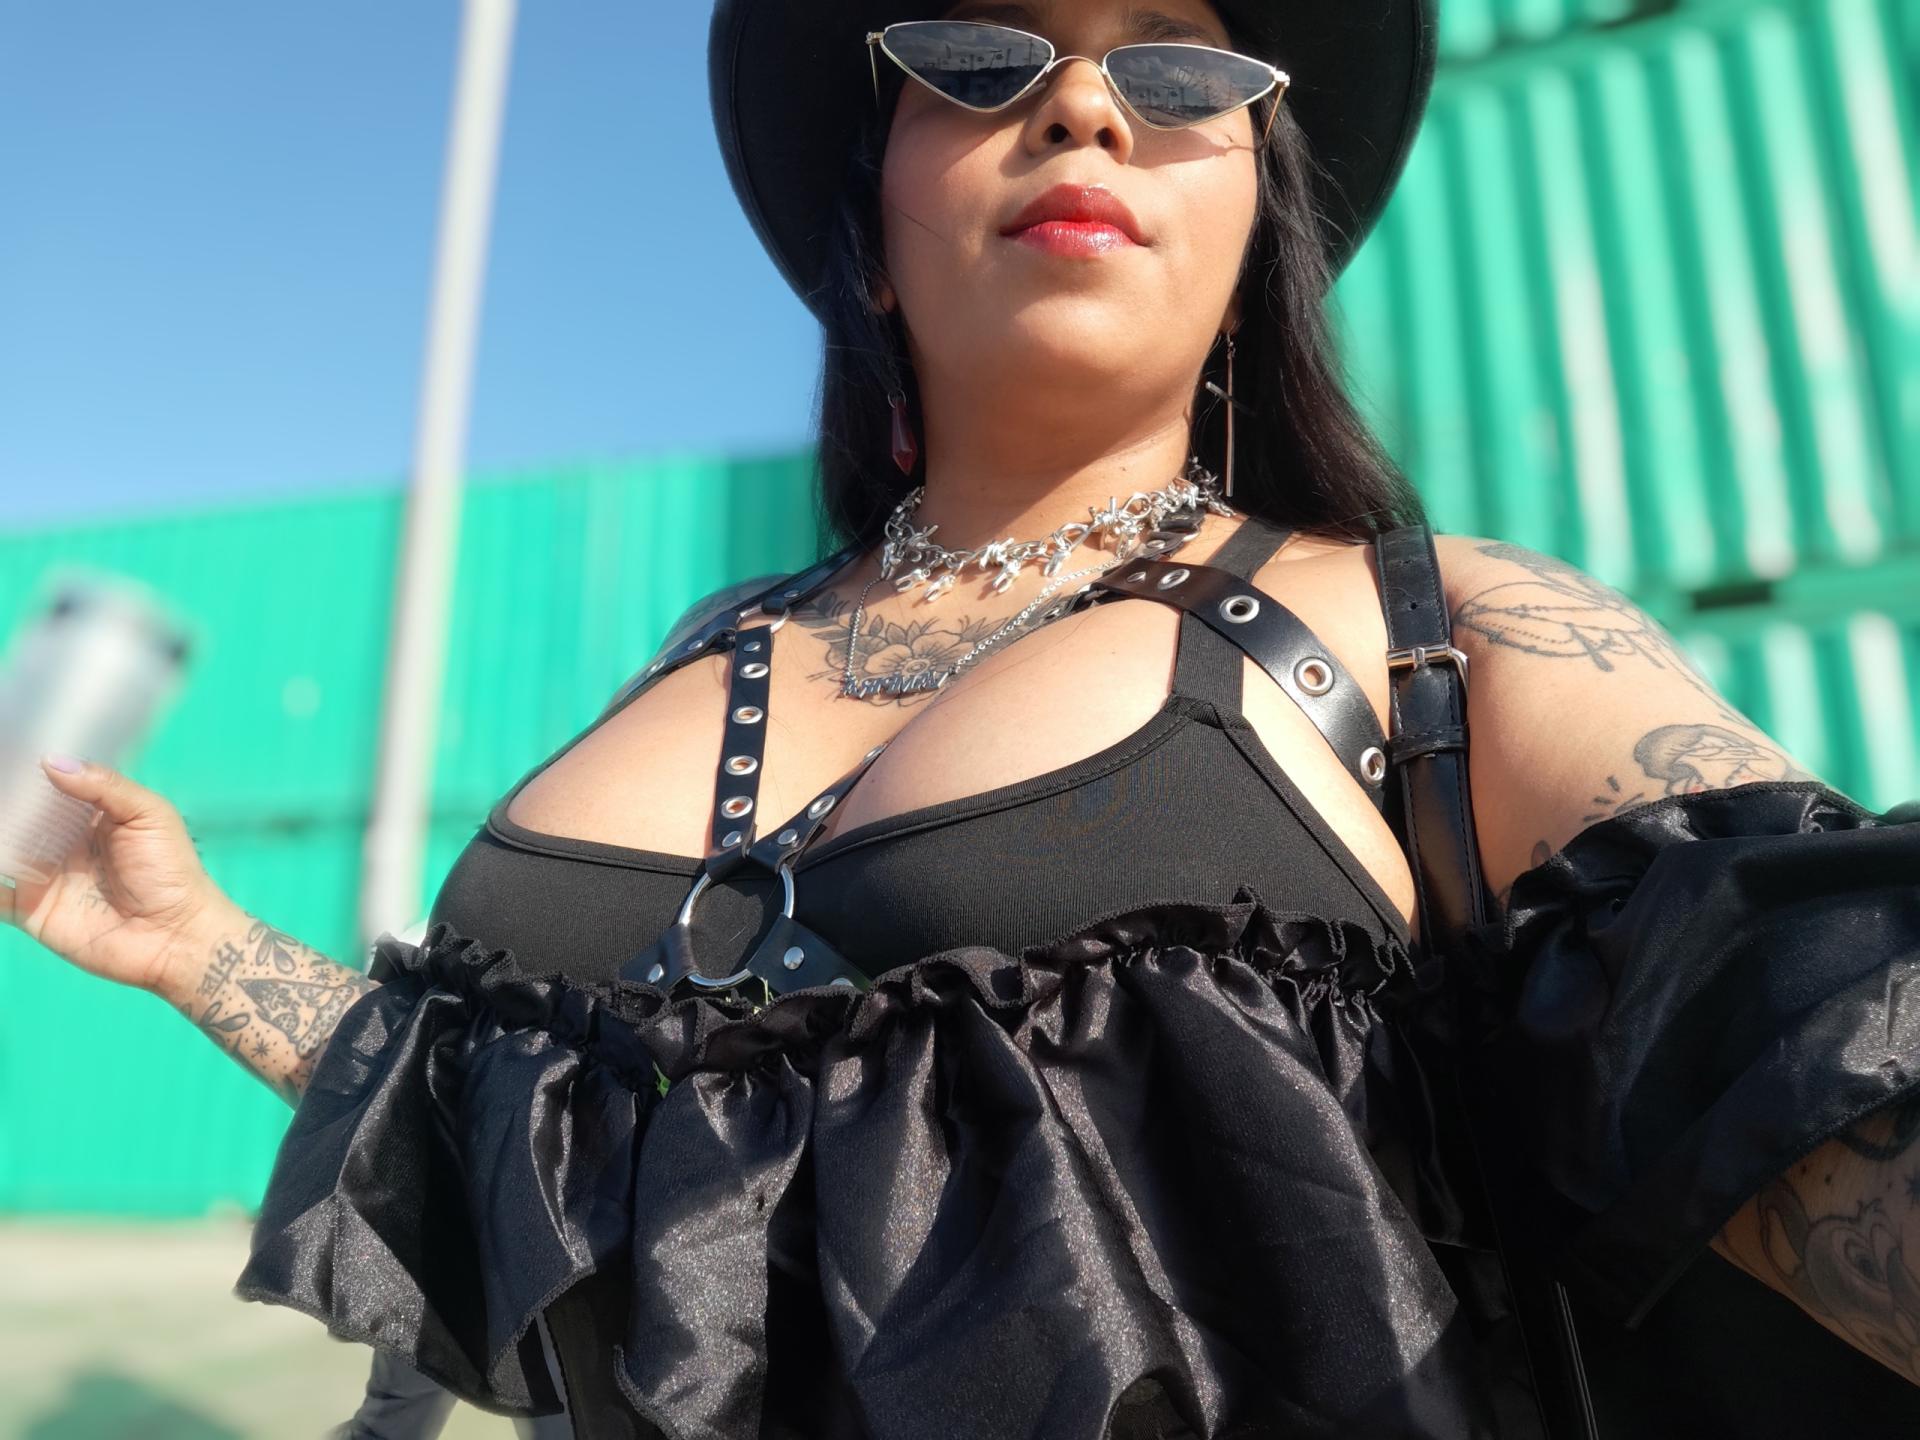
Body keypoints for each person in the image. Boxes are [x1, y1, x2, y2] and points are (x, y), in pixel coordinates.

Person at [9, 1, 1919, 1435]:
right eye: (983, 58)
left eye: (1181, 68)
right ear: (872, 208)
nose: (1084, 101)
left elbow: (1808, 1056)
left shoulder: (1444, 636)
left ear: (1257, 212)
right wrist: (195, 948)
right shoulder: (699, 650)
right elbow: (561, 1154)